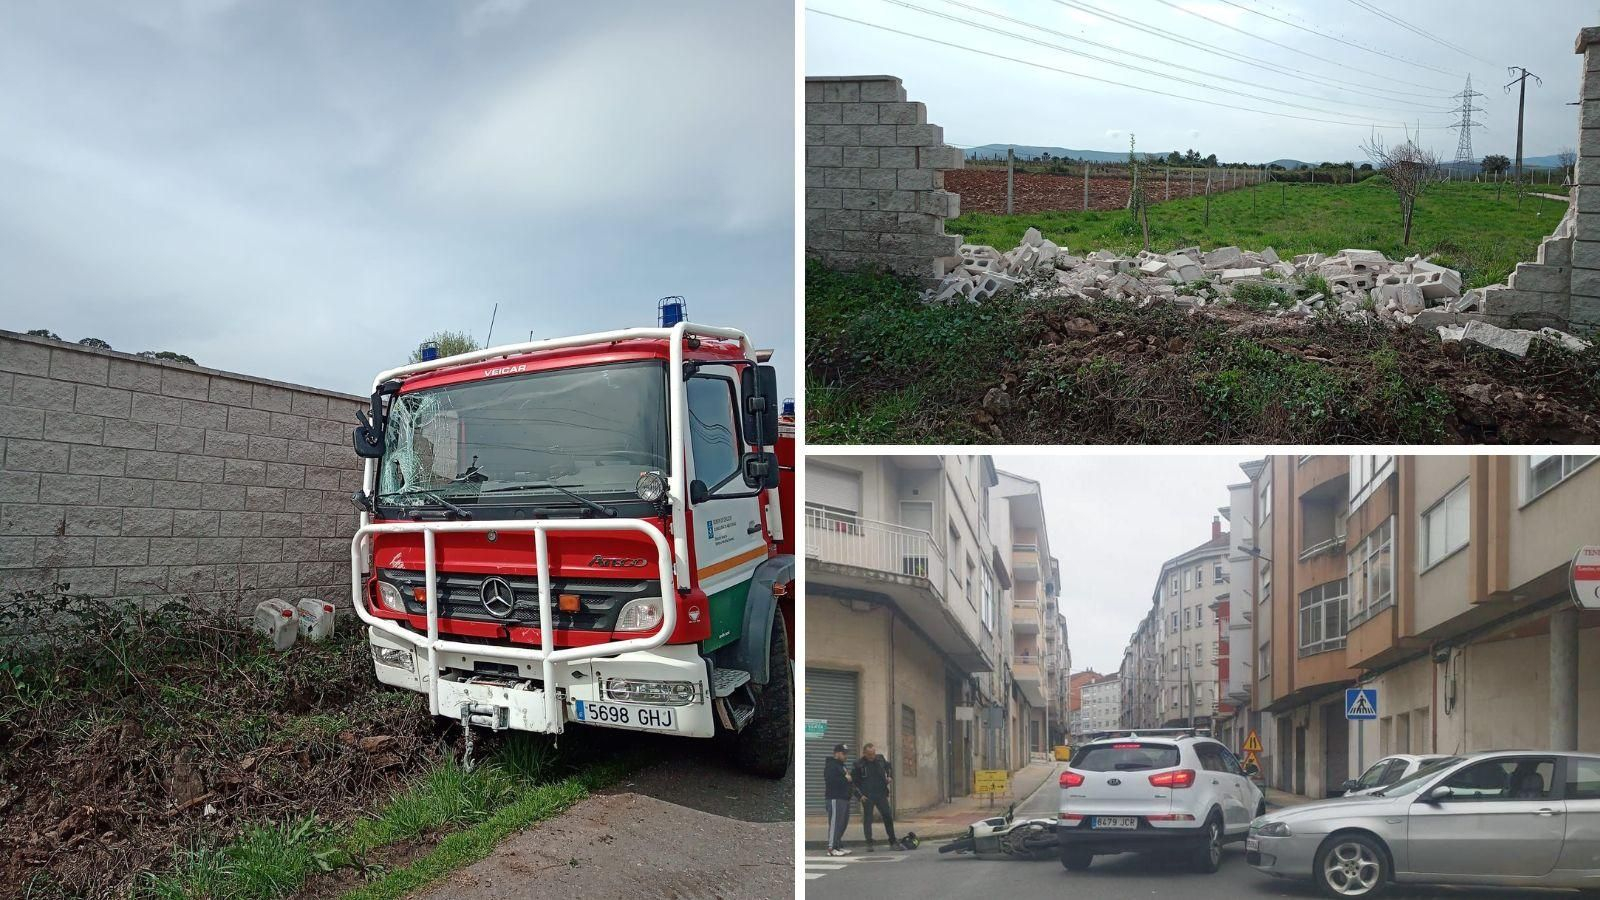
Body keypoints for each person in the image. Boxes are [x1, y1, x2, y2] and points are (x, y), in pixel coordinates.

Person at [851, 742, 901, 851]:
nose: (872, 756)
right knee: (868, 819)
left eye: (873, 753)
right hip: (867, 796)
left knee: (887, 816)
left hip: (881, 793)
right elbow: (852, 783)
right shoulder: (858, 765)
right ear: (864, 753)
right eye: (869, 754)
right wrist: (859, 796)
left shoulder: (880, 759)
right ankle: (869, 843)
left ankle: (892, 841)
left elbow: (889, 767)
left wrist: (889, 776)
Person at [823, 743, 853, 857]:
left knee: (842, 823)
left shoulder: (842, 766)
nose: (846, 756)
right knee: (835, 824)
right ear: (837, 753)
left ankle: (838, 845)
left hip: (844, 798)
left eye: (846, 754)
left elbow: (848, 779)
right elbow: (831, 781)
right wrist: (845, 779)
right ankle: (831, 848)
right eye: (843, 753)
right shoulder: (831, 765)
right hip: (835, 798)